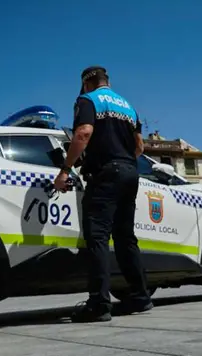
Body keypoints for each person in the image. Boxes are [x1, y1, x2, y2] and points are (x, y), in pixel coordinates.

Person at [53, 66, 152, 323]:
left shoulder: (88, 100)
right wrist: (124, 162)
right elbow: (139, 146)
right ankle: (141, 297)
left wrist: (66, 169)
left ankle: (99, 303)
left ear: (86, 83)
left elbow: (83, 133)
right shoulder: (127, 106)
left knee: (97, 237)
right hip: (131, 172)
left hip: (106, 174)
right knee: (125, 238)